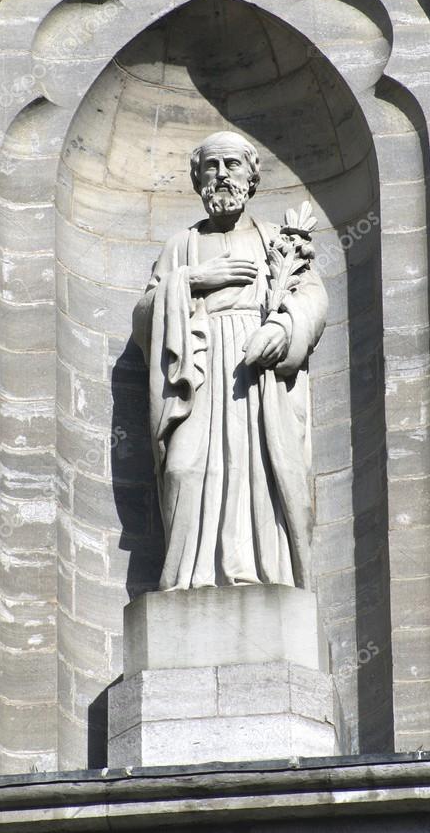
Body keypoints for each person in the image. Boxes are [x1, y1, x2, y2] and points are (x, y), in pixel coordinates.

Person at [132, 131, 327, 591]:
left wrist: (283, 329)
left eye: (232, 165)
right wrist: (192, 279)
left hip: (256, 371)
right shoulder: (180, 246)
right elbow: (143, 317)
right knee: (183, 468)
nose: (222, 175)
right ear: (198, 178)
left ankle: (265, 574)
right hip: (197, 368)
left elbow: (313, 298)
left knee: (258, 469)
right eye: (211, 166)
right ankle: (188, 579)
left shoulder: (278, 241)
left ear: (251, 176)